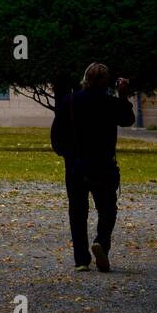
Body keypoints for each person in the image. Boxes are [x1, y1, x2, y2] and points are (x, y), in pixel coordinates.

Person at [51, 62, 136, 271]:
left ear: (85, 79)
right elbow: (128, 119)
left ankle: (81, 260)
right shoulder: (110, 103)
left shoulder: (69, 102)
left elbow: (56, 138)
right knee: (107, 209)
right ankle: (101, 242)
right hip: (103, 165)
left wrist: (68, 156)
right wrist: (123, 95)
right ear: (107, 82)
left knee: (77, 212)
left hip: (75, 166)